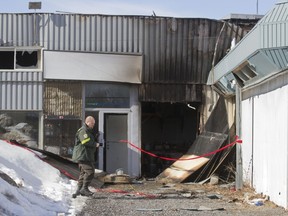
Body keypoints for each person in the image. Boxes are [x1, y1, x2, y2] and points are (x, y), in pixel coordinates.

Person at [72, 116, 99, 197]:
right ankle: (84, 189)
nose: (93, 125)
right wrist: (95, 144)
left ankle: (79, 190)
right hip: (83, 155)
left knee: (83, 173)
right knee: (90, 171)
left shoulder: (88, 131)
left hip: (85, 155)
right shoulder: (83, 131)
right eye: (92, 123)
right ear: (88, 122)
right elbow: (85, 141)